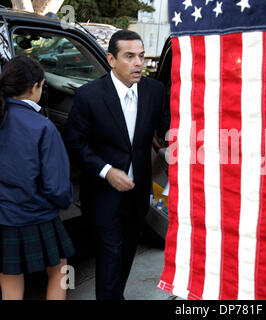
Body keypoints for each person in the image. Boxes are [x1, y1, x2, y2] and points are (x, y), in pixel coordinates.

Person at [64, 30, 169, 300]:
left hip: (138, 194)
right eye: (130, 56)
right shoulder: (89, 96)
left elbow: (165, 131)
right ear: (111, 59)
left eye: (142, 56)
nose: (138, 63)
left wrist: (171, 149)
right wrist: (106, 170)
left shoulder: (155, 91)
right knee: (110, 256)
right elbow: (75, 144)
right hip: (102, 195)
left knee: (125, 257)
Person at [0, 55, 75, 300]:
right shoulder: (42, 126)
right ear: (35, 87)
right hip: (37, 215)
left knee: (10, 276)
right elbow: (57, 187)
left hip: (4, 217)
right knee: (60, 270)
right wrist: (64, 201)